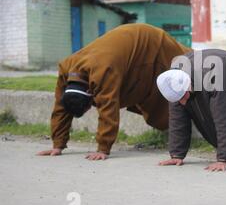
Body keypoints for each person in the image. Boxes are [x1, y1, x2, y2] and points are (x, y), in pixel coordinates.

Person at [37, 23, 191, 160]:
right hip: (126, 45)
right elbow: (60, 108)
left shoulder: (102, 72)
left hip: (151, 41)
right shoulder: (66, 69)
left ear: (91, 93)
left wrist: (103, 149)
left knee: (186, 66)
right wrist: (57, 144)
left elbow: (108, 109)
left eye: (91, 105)